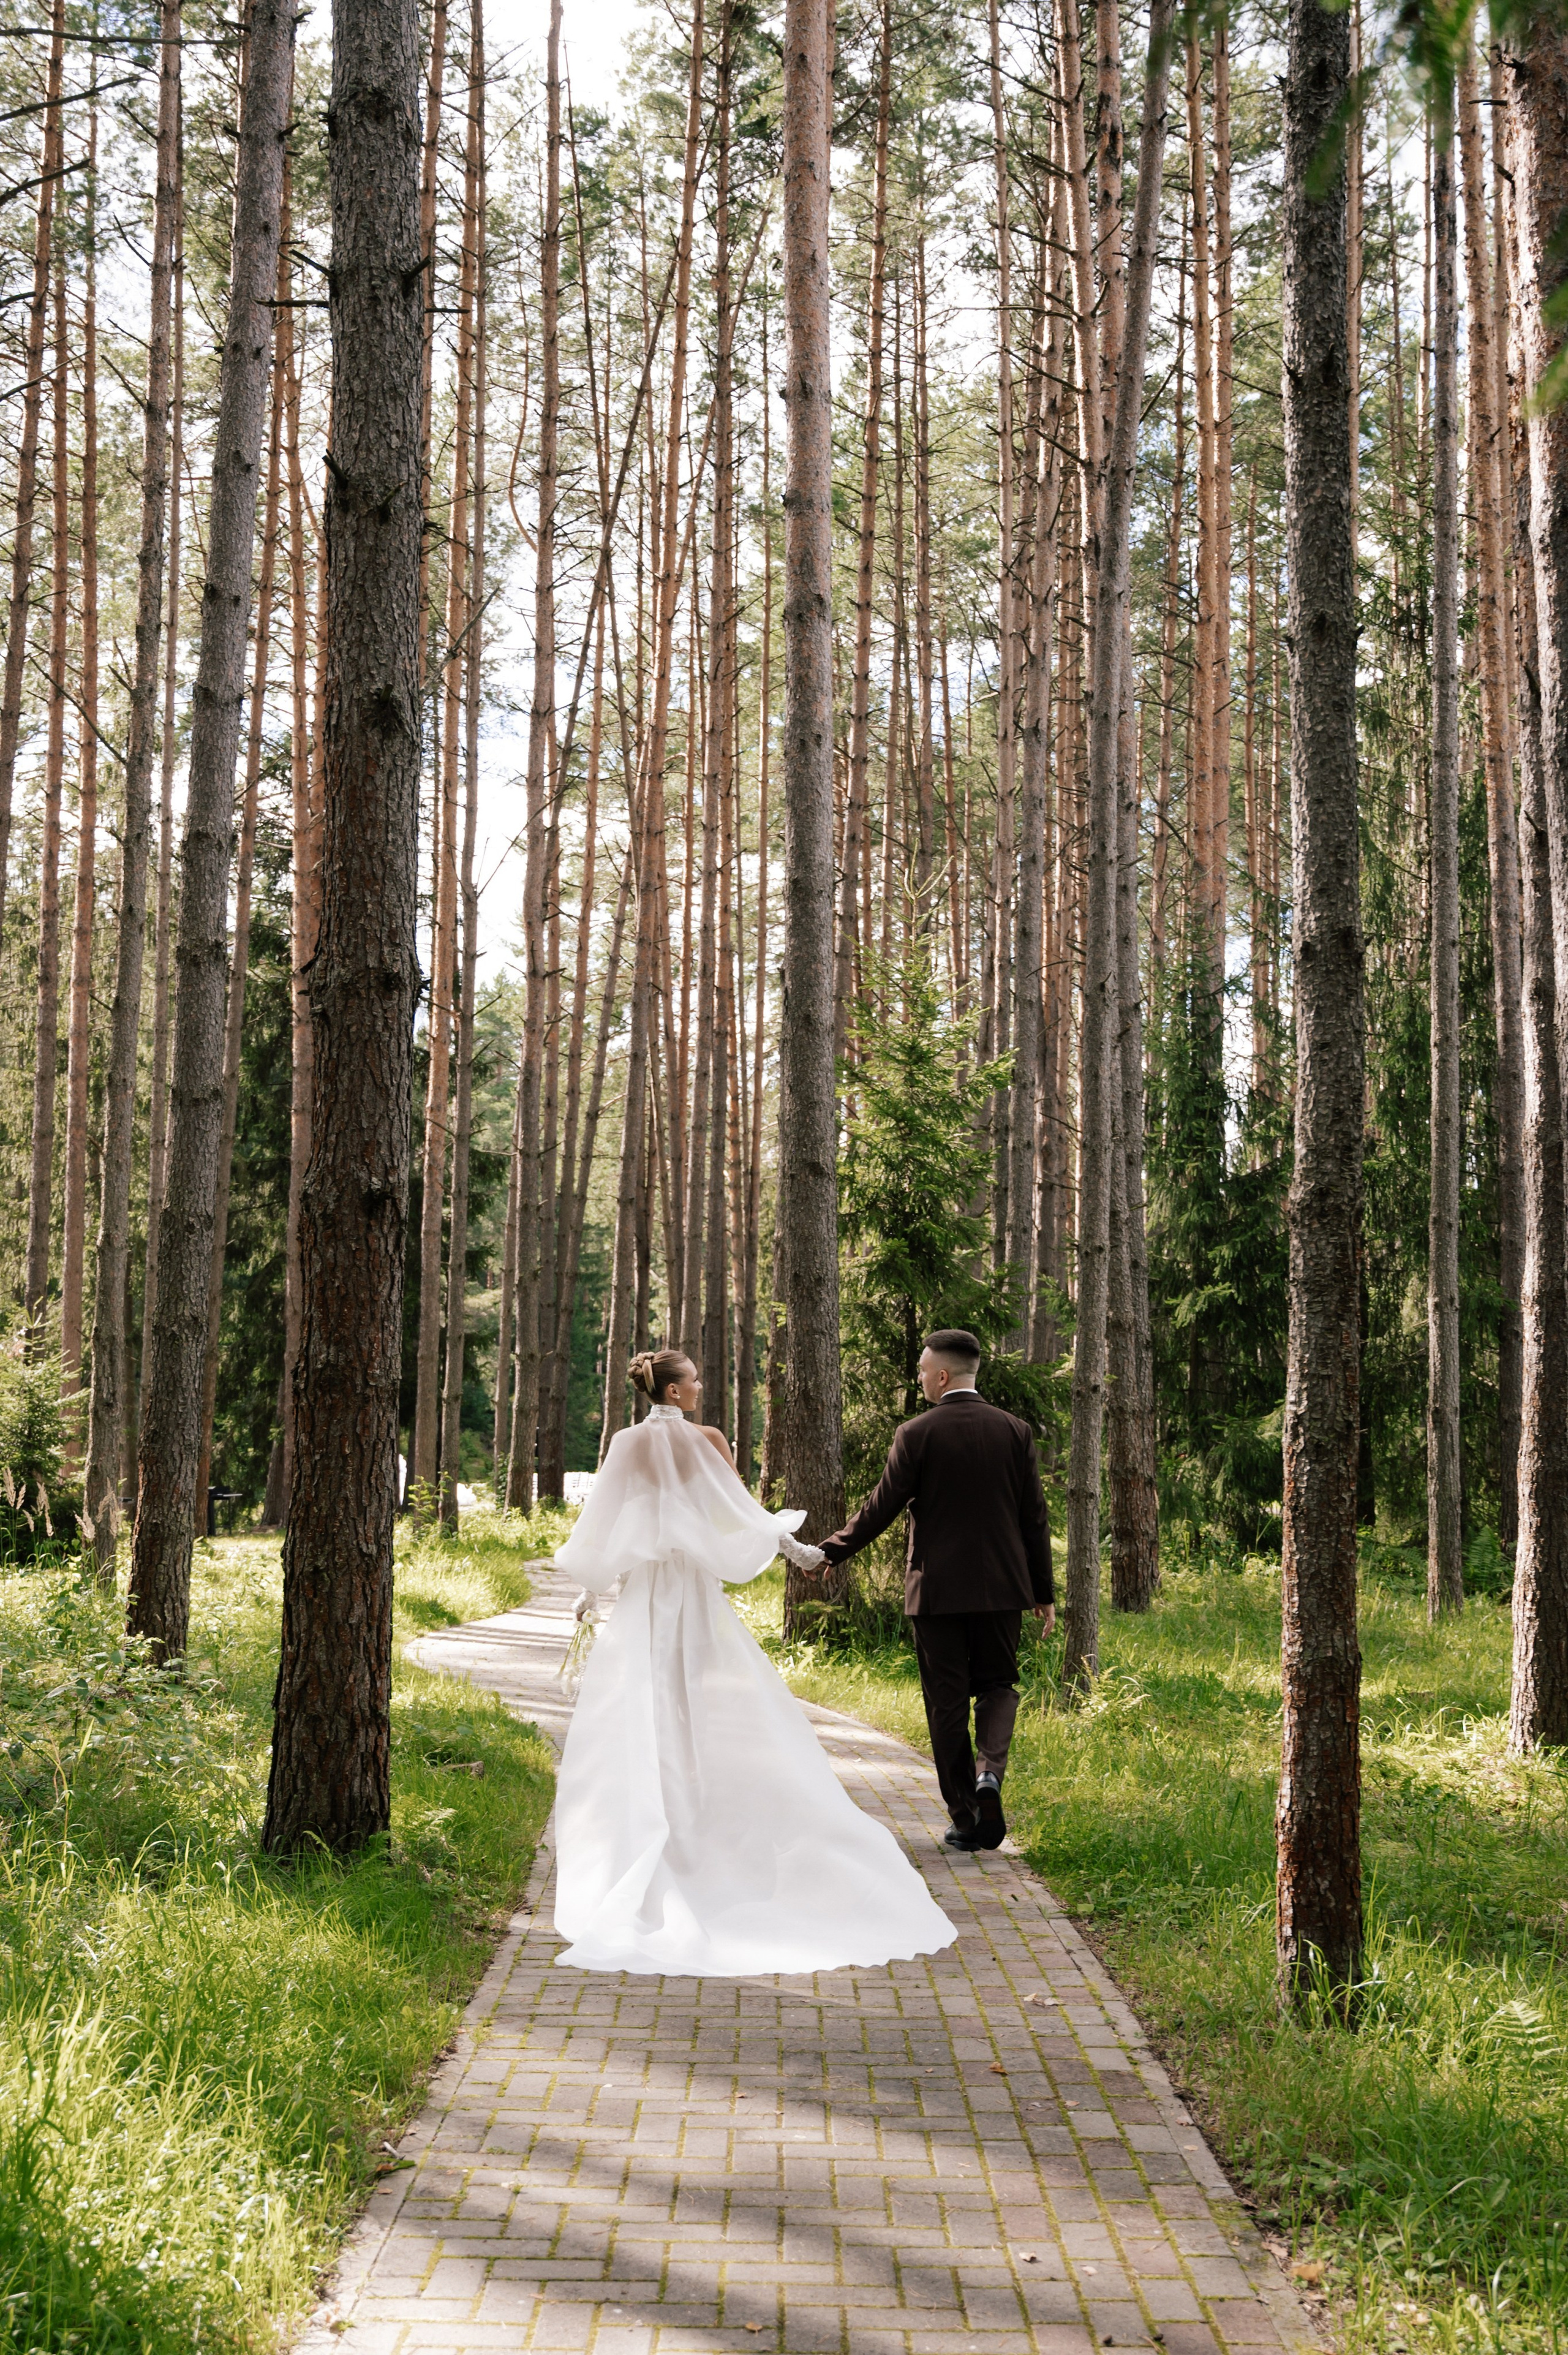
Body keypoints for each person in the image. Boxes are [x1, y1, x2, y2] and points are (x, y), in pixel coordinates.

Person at [549, 1347, 956, 1976]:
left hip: (644, 1596)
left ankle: (665, 1819)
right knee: (698, 1701)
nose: (701, 1384)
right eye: (695, 1378)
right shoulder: (707, 1439)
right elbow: (743, 1512)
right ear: (676, 1394)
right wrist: (802, 1554)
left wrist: (590, 1590)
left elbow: (605, 1521)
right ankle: (693, 1818)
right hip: (691, 1594)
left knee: (643, 1706)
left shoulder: (627, 1444)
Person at [811, 1328, 1054, 1854]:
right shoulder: (1015, 1431)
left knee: (945, 1703)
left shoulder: (916, 1433)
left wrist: (834, 1550)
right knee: (998, 1686)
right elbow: (1034, 1517)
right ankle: (991, 1775)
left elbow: (882, 1505)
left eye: (923, 1370)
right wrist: (1043, 1591)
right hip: (1003, 1590)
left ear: (942, 1376)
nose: (920, 1378)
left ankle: (966, 1819)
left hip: (936, 1591)